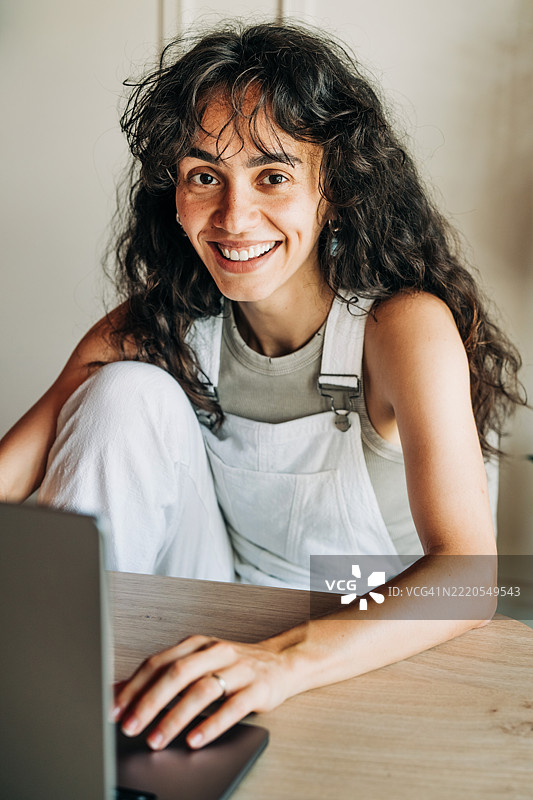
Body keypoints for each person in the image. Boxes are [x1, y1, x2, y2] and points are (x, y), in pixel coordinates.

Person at [0, 22, 526, 751]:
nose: (233, 217)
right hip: (219, 614)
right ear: (175, 195)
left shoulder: (404, 328)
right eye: (203, 176)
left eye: (272, 175)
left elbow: (471, 578)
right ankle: (48, 701)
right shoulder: (159, 325)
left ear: (332, 192)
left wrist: (279, 664)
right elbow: (9, 479)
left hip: (376, 638)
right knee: (122, 392)